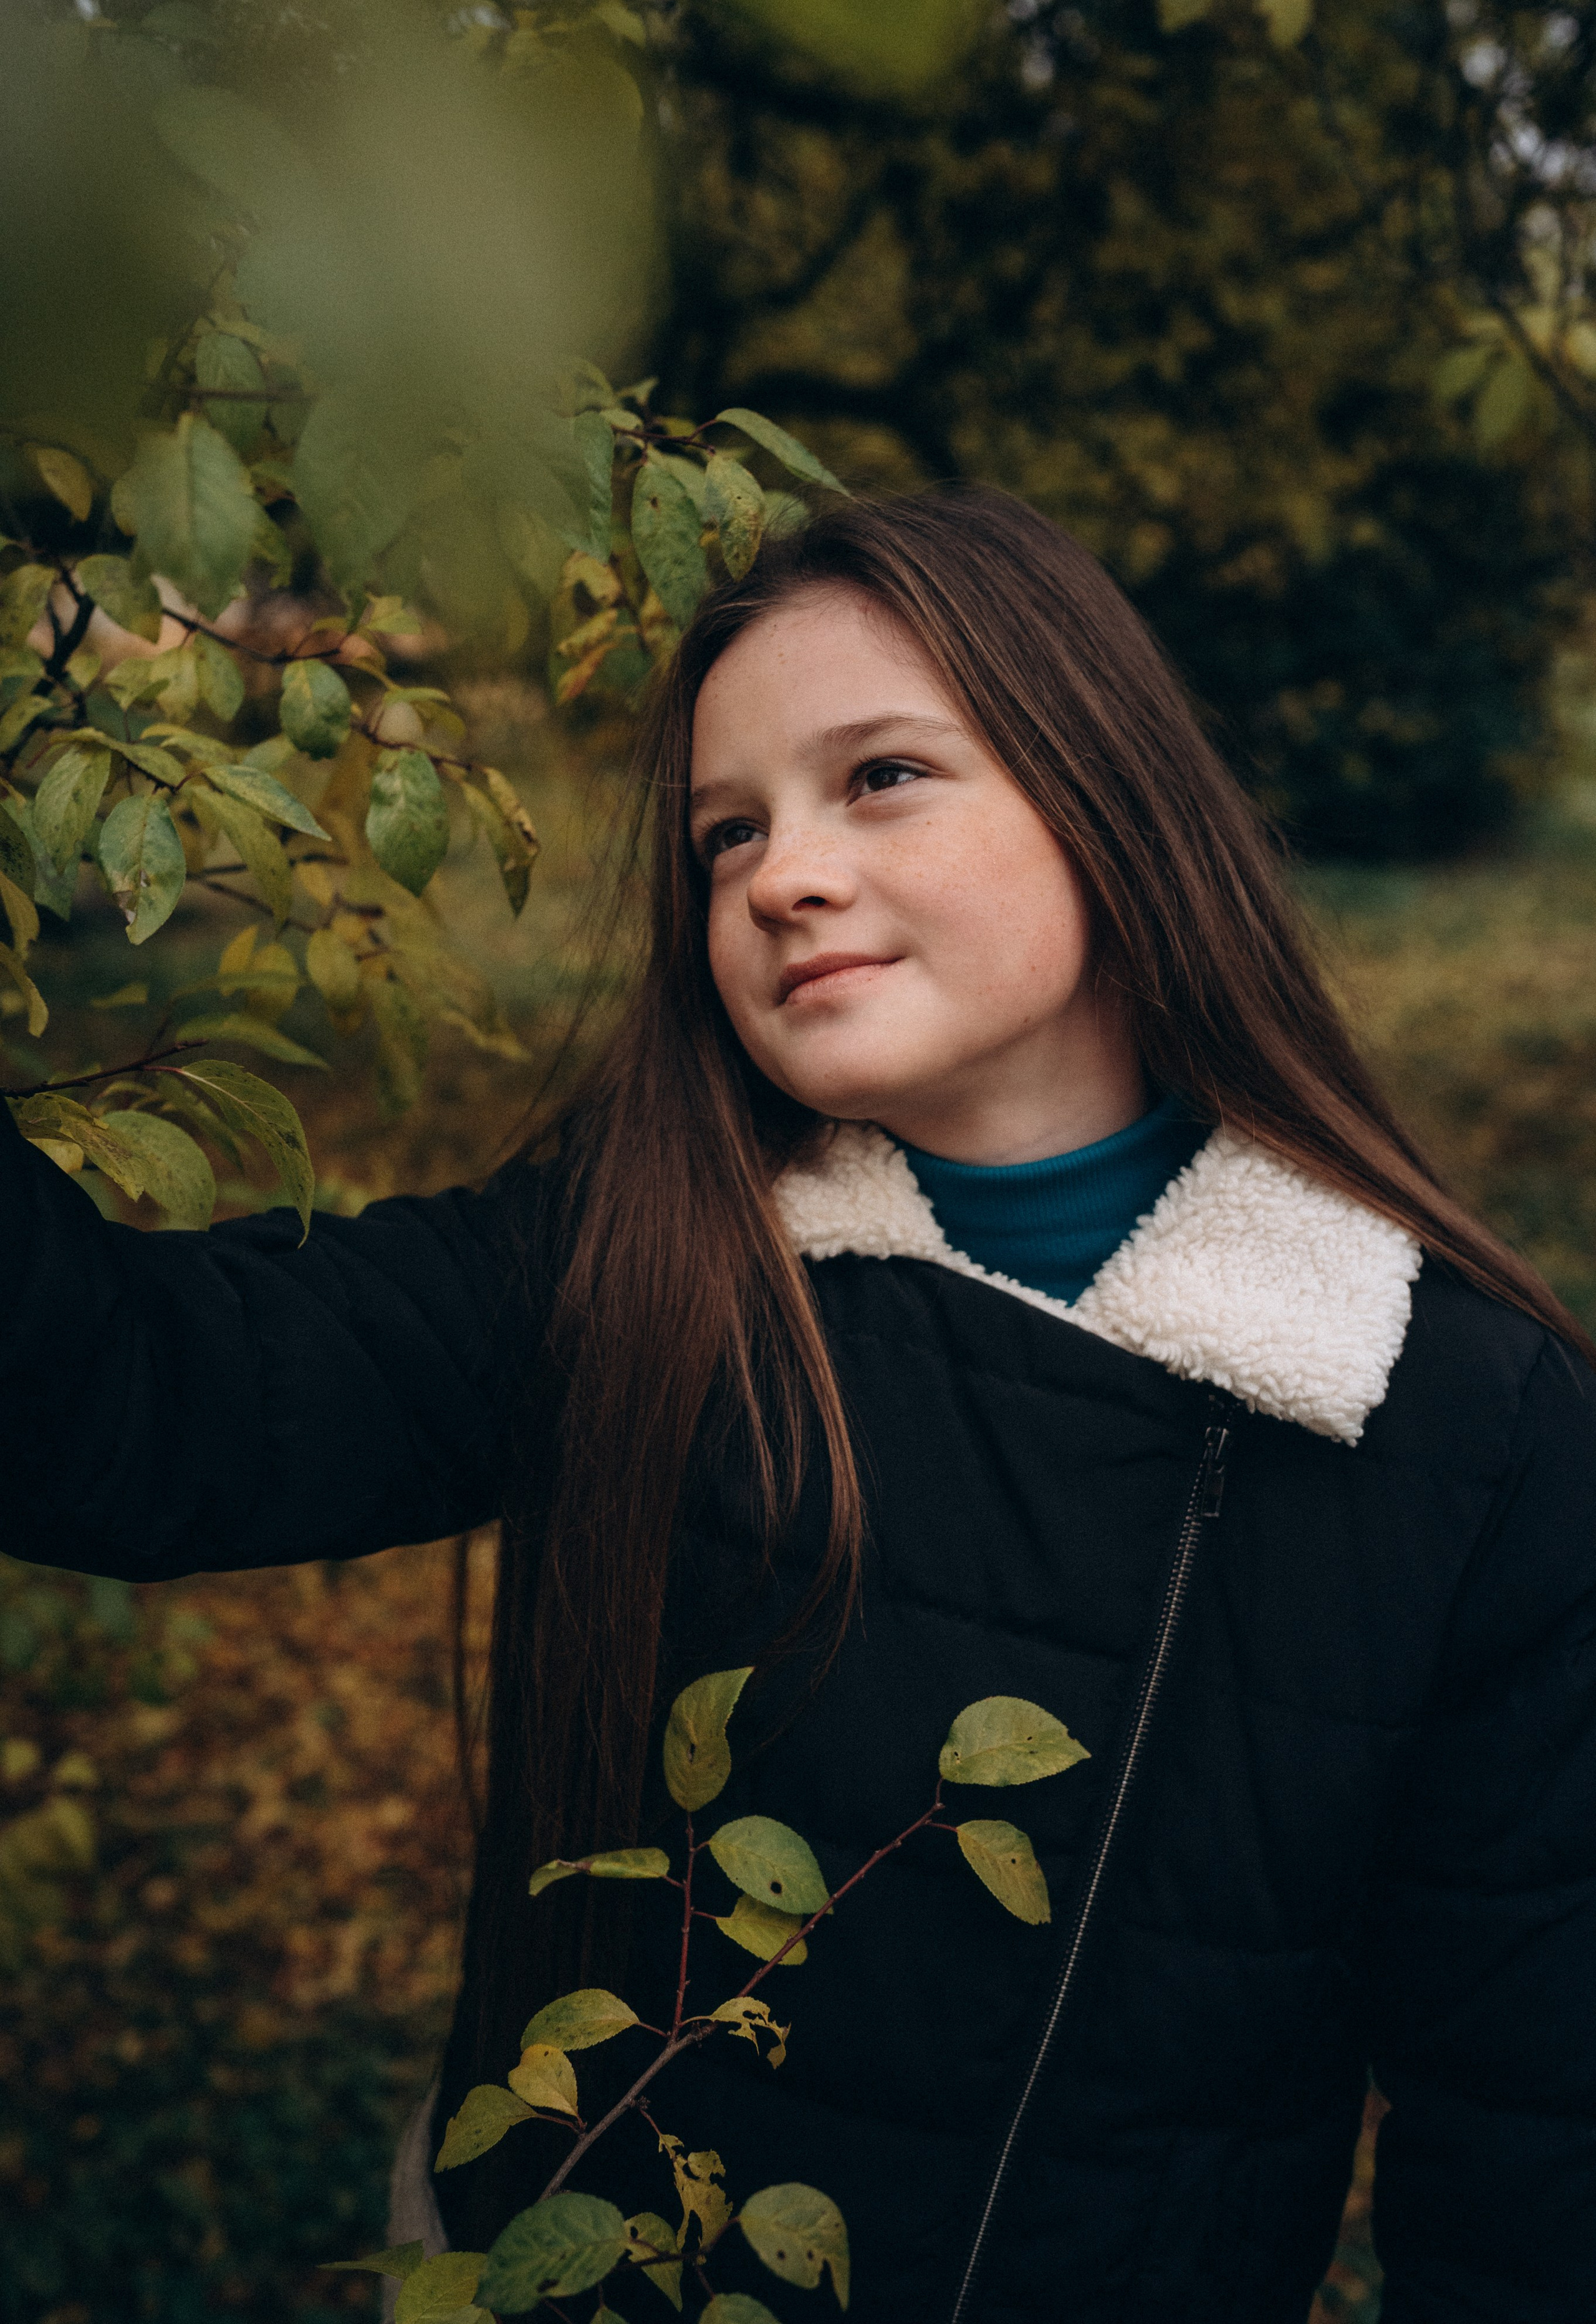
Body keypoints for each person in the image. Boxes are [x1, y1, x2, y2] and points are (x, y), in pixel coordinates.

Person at [5, 486, 1595, 2323]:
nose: (782, 874)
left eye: (885, 777)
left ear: (1108, 796)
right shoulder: (637, 1256)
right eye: (724, 833)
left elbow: (1535, 2148)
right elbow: (137, 1408)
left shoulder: (1459, 1428)